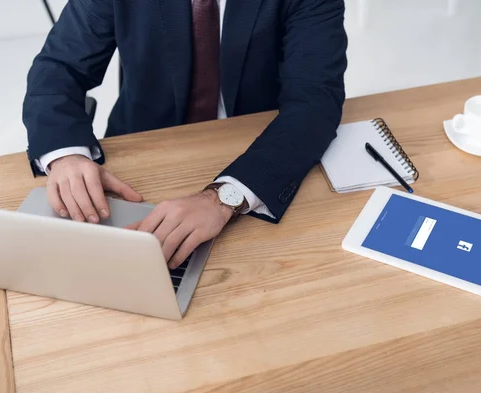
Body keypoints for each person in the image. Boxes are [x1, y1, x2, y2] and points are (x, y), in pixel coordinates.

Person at [23, 0, 348, 268]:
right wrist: (66, 154)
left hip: (259, 162)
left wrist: (223, 198)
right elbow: (58, 68)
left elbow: (314, 104)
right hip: (138, 169)